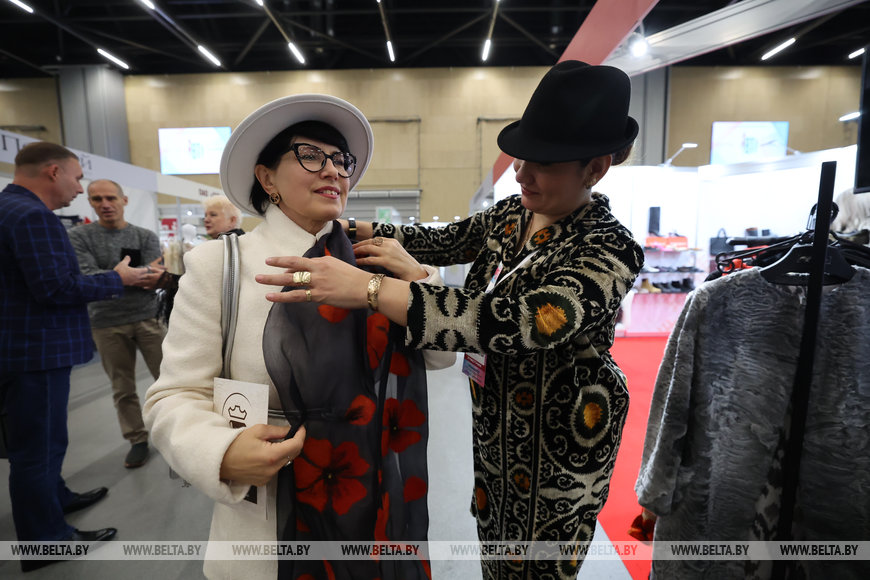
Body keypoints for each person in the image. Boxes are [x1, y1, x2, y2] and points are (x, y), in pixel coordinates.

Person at [256, 61, 644, 579]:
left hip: (559, 446)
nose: (522, 174)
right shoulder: (512, 214)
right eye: (522, 159)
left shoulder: (609, 248)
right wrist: (342, 223)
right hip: (495, 428)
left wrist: (370, 290)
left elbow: (522, 322)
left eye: (544, 164)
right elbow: (442, 239)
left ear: (594, 169)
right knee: (494, 541)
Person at [145, 94, 451, 580]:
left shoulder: (375, 262)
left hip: (376, 497)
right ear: (267, 178)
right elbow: (175, 394)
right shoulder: (221, 265)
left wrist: (415, 279)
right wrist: (220, 452)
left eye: (341, 160)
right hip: (272, 506)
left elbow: (438, 358)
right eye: (310, 155)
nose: (333, 170)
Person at [0, 142, 149, 571]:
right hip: (36, 352)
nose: (80, 189)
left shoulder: (9, 210)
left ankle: (56, 498)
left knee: (43, 443)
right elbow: (56, 288)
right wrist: (118, 279)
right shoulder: (32, 217)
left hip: (21, 349)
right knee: (38, 450)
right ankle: (46, 541)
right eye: (78, 178)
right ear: (53, 172)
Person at [68, 179, 167, 469]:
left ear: (124, 200)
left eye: (111, 198)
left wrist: (111, 278)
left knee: (168, 380)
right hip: (106, 323)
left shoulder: (144, 235)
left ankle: (173, 432)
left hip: (148, 317)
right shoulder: (79, 237)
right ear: (90, 202)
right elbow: (84, 276)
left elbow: (156, 276)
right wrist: (132, 275)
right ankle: (137, 439)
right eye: (97, 199)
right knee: (122, 388)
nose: (105, 204)